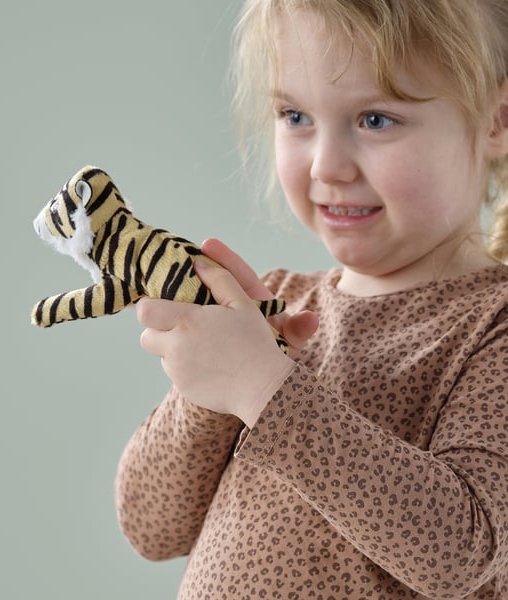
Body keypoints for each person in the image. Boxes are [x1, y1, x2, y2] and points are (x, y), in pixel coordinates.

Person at [115, 1, 508, 597]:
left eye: (376, 119)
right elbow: (150, 526)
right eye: (294, 114)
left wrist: (262, 388)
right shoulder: (277, 305)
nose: (326, 166)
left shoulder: (490, 326)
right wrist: (208, 393)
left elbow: (463, 552)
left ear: (495, 121)